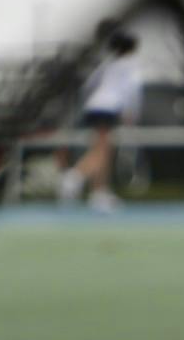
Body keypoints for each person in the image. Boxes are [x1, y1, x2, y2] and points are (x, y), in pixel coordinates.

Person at [58, 20, 142, 213]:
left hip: (94, 107)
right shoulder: (130, 65)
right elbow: (133, 91)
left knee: (104, 150)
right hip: (108, 109)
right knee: (103, 150)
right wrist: (132, 113)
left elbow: (89, 85)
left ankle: (99, 194)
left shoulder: (109, 64)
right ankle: (74, 177)